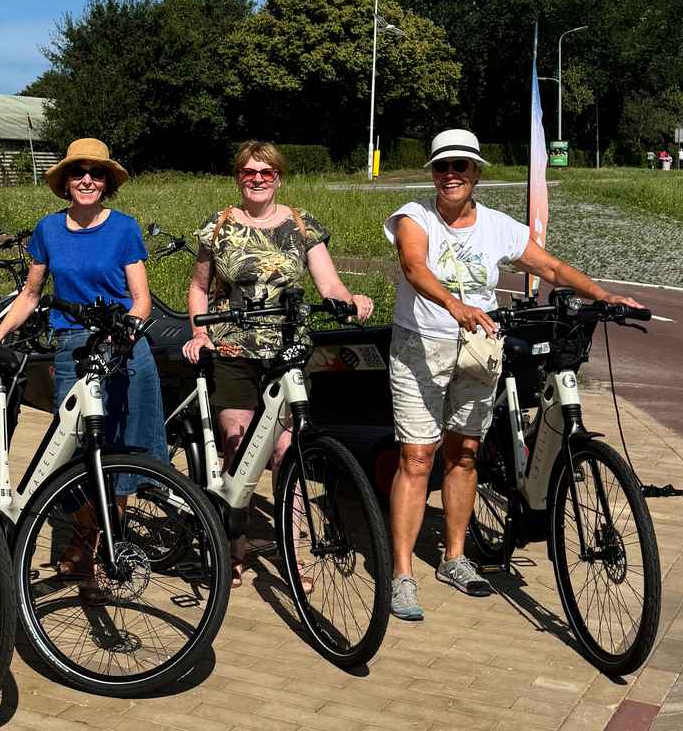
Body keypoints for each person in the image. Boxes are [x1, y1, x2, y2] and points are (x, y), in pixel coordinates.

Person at [383, 129, 644, 622]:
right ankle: (402, 574)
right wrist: (455, 305)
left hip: (478, 348)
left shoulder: (497, 226)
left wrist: (603, 296)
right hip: (421, 348)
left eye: (461, 166)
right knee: (417, 458)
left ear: (477, 172)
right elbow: (414, 267)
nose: (451, 175)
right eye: (442, 167)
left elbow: (551, 267)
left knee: (464, 453)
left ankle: (455, 558)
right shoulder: (414, 217)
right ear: (432, 173)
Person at [180, 141, 374, 589]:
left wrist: (352, 302)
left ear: (278, 178)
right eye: (249, 172)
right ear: (238, 178)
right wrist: (200, 333)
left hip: (287, 353)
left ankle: (294, 551)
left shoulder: (301, 225)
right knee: (237, 445)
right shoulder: (218, 225)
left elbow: (329, 284)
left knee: (289, 451)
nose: (257, 180)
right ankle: (234, 544)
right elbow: (198, 288)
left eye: (265, 172)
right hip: (233, 350)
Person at [0, 138, 167, 592]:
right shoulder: (49, 229)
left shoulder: (123, 228)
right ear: (65, 181)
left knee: (119, 450)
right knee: (73, 449)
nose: (87, 180)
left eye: (96, 173)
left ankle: (102, 553)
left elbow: (141, 300)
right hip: (73, 348)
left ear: (106, 183)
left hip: (122, 346)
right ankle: (85, 536)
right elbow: (31, 294)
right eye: (78, 172)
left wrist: (123, 333)